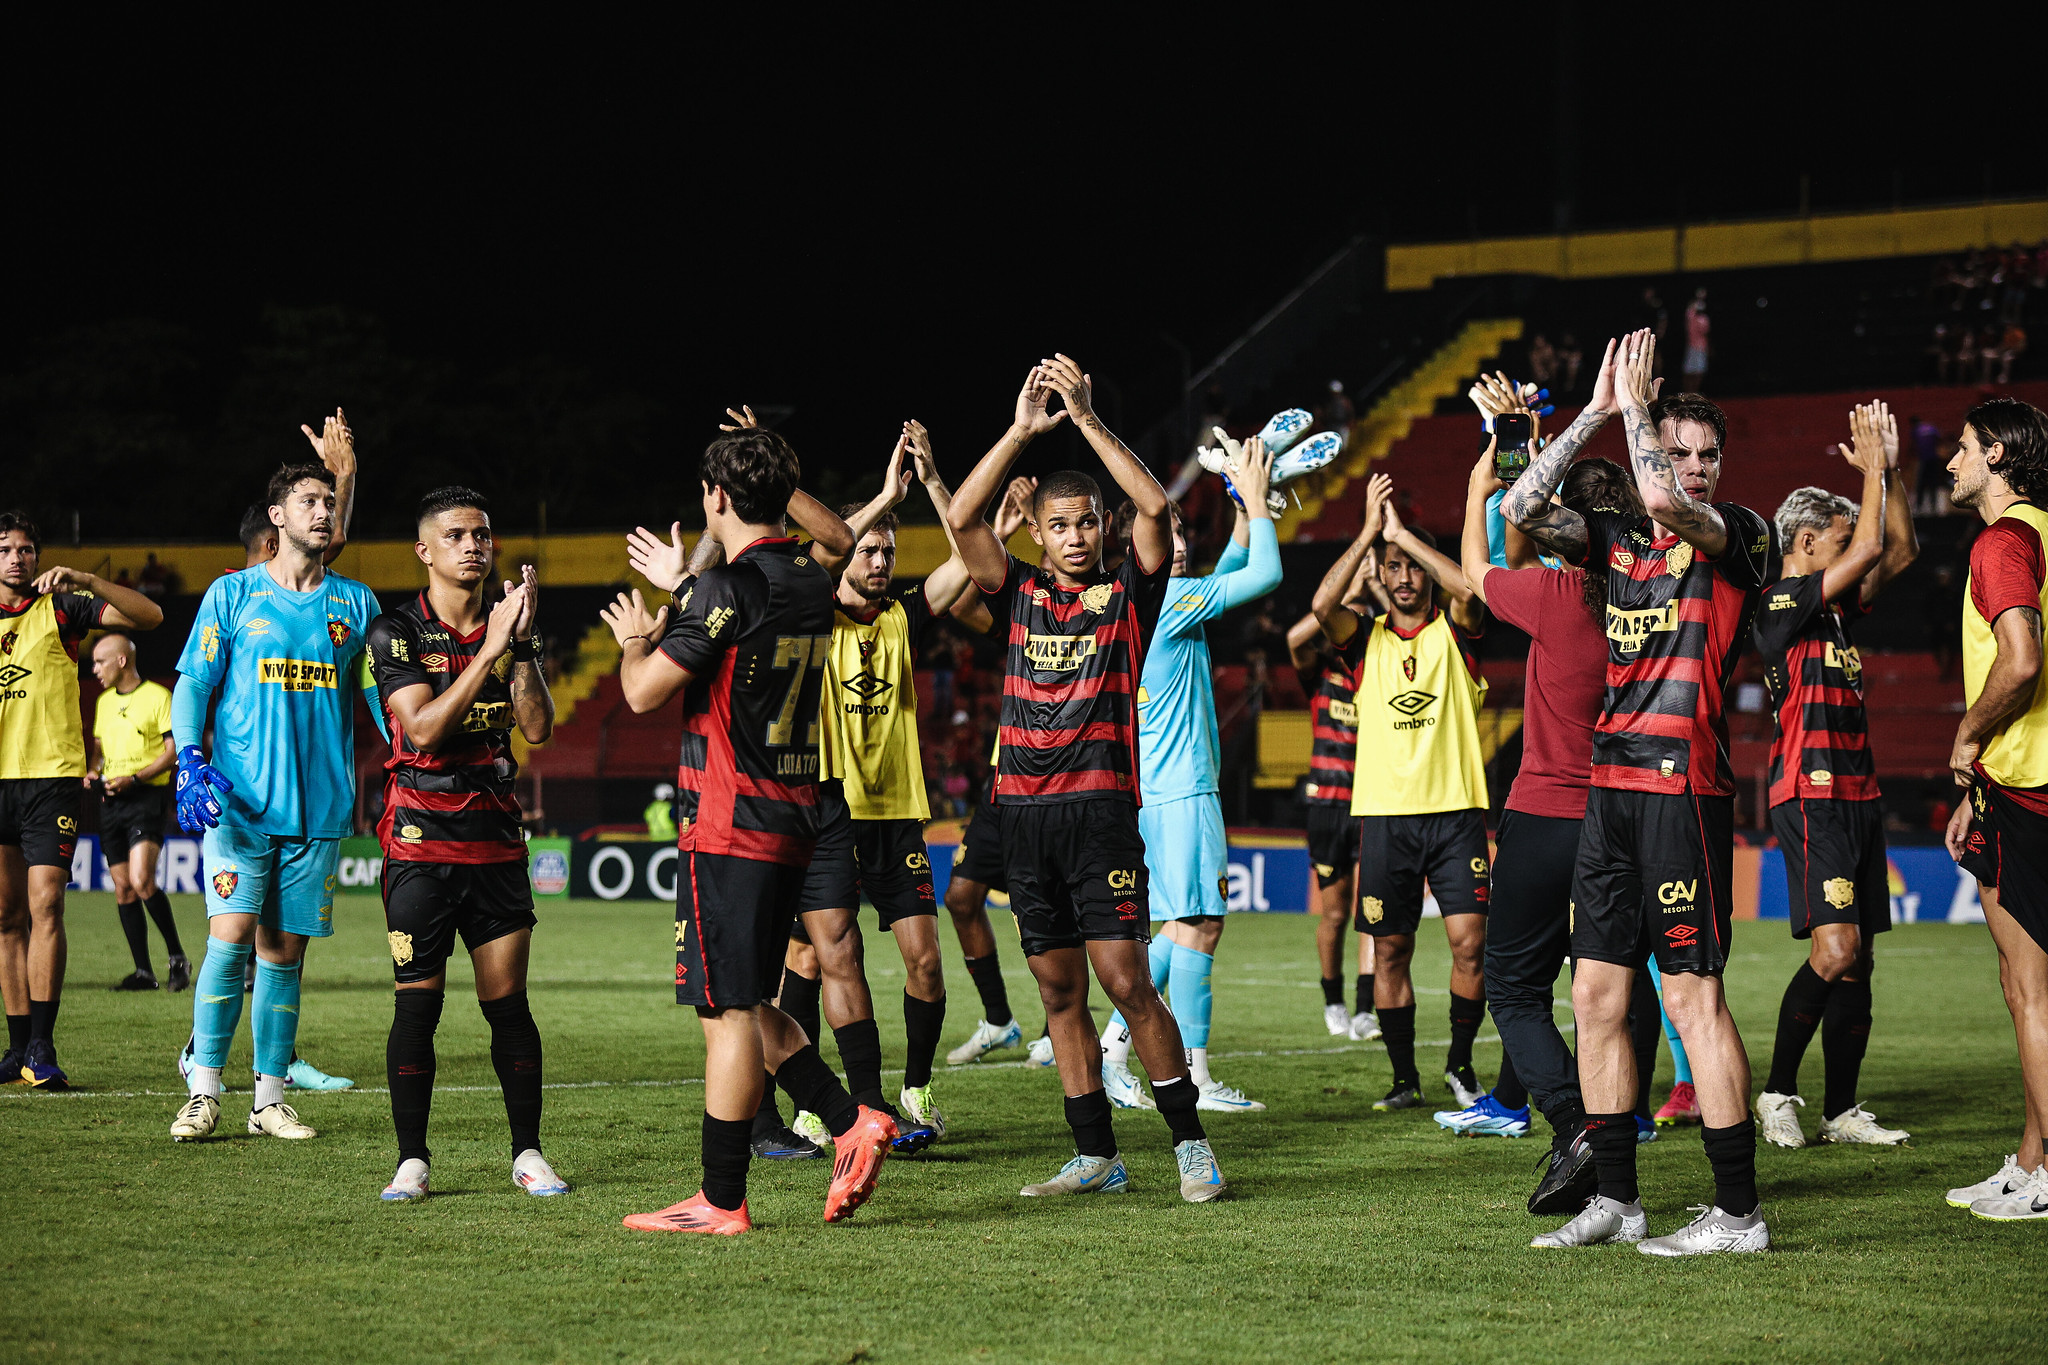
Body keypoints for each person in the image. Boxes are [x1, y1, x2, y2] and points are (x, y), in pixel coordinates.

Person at [1509, 330, 1779, 1255]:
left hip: (1682, 792)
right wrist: (1590, 409)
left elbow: (1661, 492)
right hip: (1609, 792)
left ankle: (1739, 1213)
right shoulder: (1617, 541)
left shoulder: (1743, 535)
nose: (1696, 468)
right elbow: (1521, 504)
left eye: (1711, 454)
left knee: (1692, 997)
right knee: (1595, 999)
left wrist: (1634, 407)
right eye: (1683, 448)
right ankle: (1619, 1200)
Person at [603, 414, 897, 1235]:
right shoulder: (808, 577)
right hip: (793, 816)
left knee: (729, 1013)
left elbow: (639, 692)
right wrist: (688, 591)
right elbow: (807, 561)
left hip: (731, 826)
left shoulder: (724, 588)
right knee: (739, 1003)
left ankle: (721, 1198)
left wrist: (637, 636)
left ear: (716, 495)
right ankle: (851, 1118)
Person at [944, 357, 1225, 1202]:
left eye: (1085, 523)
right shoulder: (1017, 590)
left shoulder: (1130, 597)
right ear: (1038, 533)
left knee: (1127, 980)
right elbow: (960, 516)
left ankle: (1190, 1143)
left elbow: (1154, 506)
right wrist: (1023, 430)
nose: (1073, 535)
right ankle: (1096, 1153)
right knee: (1059, 991)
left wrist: (1088, 419)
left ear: (1101, 530)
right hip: (1023, 820)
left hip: (1100, 816)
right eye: (1058, 524)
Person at [1470, 356, 1654, 1203]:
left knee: (1512, 985)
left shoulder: (1554, 594)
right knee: (1623, 979)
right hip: (1629, 813)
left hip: (1545, 813)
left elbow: (1482, 565)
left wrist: (1490, 469)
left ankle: (1575, 1122)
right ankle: (1624, 1123)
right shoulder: (1657, 594)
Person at [166, 455, 381, 1141]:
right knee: (229, 942)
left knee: (283, 955)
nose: (323, 511)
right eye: (309, 501)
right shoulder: (232, 596)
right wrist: (191, 759)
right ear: (278, 517)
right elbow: (193, 684)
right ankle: (203, 1091)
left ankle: (269, 1100)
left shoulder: (358, 602)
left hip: (318, 811)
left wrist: (416, 754)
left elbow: (384, 701)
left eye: (329, 500)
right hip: (240, 807)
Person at [782, 422, 982, 1147]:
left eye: (889, 550)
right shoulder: (810, 607)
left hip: (897, 813)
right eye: (867, 548)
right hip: (829, 808)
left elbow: (974, 559)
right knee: (815, 956)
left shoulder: (904, 616)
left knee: (925, 960)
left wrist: (929, 484)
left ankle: (917, 1087)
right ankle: (821, 1101)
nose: (879, 557)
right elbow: (814, 547)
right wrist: (880, 498)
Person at [365, 487, 564, 1202]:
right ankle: (412, 1160)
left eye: (482, 533)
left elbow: (537, 728)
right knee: (418, 1005)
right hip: (419, 843)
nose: (473, 545)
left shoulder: (510, 626)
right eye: (455, 535)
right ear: (425, 550)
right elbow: (422, 730)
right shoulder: (395, 632)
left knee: (508, 1004)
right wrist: (490, 650)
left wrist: (522, 647)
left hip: (495, 841)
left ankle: (529, 1153)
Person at [1097, 434, 1283, 1114]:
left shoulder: (1145, 600)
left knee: (1189, 923)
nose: (1177, 544)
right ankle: (1126, 1048)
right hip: (1182, 790)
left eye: (1180, 531)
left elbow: (1232, 565)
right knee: (1196, 922)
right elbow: (1261, 577)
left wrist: (1241, 502)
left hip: (1159, 790)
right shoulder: (1171, 601)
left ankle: (1155, 1058)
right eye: (1165, 532)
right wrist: (1260, 502)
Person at [1751, 403, 1918, 1151]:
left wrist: (1892, 474)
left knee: (1861, 964)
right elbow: (1877, 540)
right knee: (1836, 951)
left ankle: (1840, 1110)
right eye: (1841, 543)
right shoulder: (1781, 603)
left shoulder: (1836, 609)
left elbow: (1901, 549)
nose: (1856, 553)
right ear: (1807, 541)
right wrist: (1874, 470)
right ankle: (1776, 1091)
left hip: (1860, 793)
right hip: (1811, 792)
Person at [1312, 474, 1491, 1114]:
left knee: (1471, 943)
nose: (1406, 577)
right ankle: (1403, 1078)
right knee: (1390, 949)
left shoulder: (1458, 630)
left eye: (1413, 567)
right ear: (1380, 576)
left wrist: (1402, 535)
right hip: (1386, 819)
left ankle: (1461, 1065)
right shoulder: (1364, 641)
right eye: (1394, 569)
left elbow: (1470, 588)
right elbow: (1319, 607)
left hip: (1456, 814)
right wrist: (1368, 534)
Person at [0, 512, 163, 1087]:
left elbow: (151, 615)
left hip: (51, 781)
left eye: (26, 549)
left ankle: (42, 1047)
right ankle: (15, 1048)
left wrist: (89, 582)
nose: (17, 559)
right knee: (5, 916)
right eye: (5, 550)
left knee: (45, 904)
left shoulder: (63, 608)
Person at [1941, 397, 2048, 1221]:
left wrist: (1967, 738)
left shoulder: (2002, 540)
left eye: (1964, 449)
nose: (1950, 463)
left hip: (2028, 786)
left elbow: (2019, 662)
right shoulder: (2044, 531)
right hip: (2014, 786)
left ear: (2000, 453)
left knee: (2028, 988)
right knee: (2024, 987)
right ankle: (2029, 1156)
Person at [941, 475, 1043, 1067]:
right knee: (961, 898)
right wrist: (999, 535)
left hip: (1050, 786)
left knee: (1044, 913)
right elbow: (959, 602)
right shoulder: (1018, 611)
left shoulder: (1085, 604)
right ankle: (1000, 1021)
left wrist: (1027, 520)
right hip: (1002, 782)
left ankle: (1062, 1029)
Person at [1287, 544, 1386, 1043]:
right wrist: (1347, 590)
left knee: (1371, 908)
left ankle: (1366, 1009)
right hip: (1326, 806)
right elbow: (1294, 637)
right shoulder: (1320, 674)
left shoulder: (1382, 676)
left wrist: (1372, 592)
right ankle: (1334, 1002)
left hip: (1372, 803)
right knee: (1332, 912)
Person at [85, 633, 187, 992]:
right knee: (123, 889)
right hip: (112, 801)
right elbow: (98, 750)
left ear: (121, 661)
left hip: (146, 796)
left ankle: (177, 958)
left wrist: (135, 778)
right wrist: (94, 772)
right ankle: (143, 972)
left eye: (100, 661)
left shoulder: (159, 697)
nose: (94, 668)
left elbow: (171, 752)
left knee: (142, 880)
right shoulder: (102, 702)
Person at [1682, 290, 1710, 392]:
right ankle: (1688, 392)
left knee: (1699, 371)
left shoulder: (1704, 319)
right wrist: (1698, 297)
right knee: (1688, 372)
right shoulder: (1691, 317)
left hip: (1701, 347)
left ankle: (1695, 393)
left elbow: (1706, 333)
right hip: (1692, 347)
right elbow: (1690, 310)